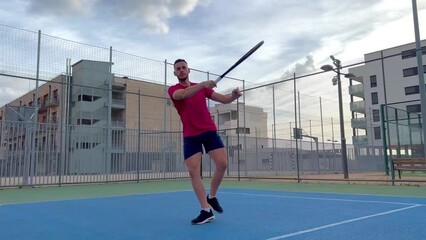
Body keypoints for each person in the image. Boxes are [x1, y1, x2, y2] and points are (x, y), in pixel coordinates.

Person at [168, 59, 242, 225]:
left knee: (222, 164)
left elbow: (223, 99)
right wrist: (203, 85)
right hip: (191, 135)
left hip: (209, 131)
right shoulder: (174, 90)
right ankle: (205, 210)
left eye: (183, 68)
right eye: (178, 69)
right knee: (194, 171)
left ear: (189, 70)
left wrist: (233, 96)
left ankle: (212, 196)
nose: (181, 70)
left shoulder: (201, 88)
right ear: (175, 73)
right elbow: (184, 94)